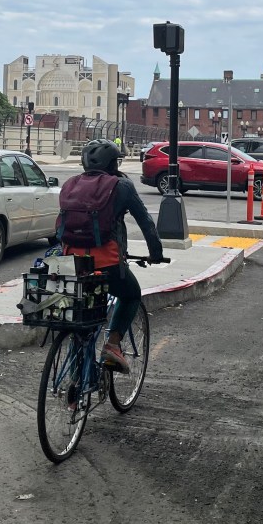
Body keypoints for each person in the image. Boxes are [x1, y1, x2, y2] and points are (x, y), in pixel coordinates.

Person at [58, 139, 165, 374]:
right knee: (131, 294)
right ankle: (113, 345)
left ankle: (76, 385)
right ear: (111, 163)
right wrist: (155, 253)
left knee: (82, 319)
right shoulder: (121, 186)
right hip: (106, 263)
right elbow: (145, 221)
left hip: (71, 263)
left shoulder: (70, 184)